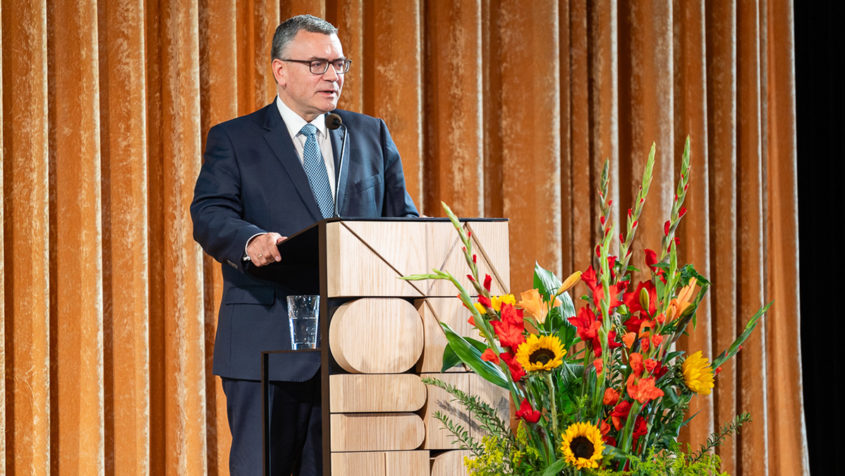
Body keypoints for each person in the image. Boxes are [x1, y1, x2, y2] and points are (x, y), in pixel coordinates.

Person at [191, 14, 419, 475]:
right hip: (267, 343)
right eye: (317, 64)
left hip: (357, 347)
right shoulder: (236, 138)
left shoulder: (368, 133)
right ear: (281, 70)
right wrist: (250, 239)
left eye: (339, 64)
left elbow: (405, 222)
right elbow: (209, 213)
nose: (333, 75)